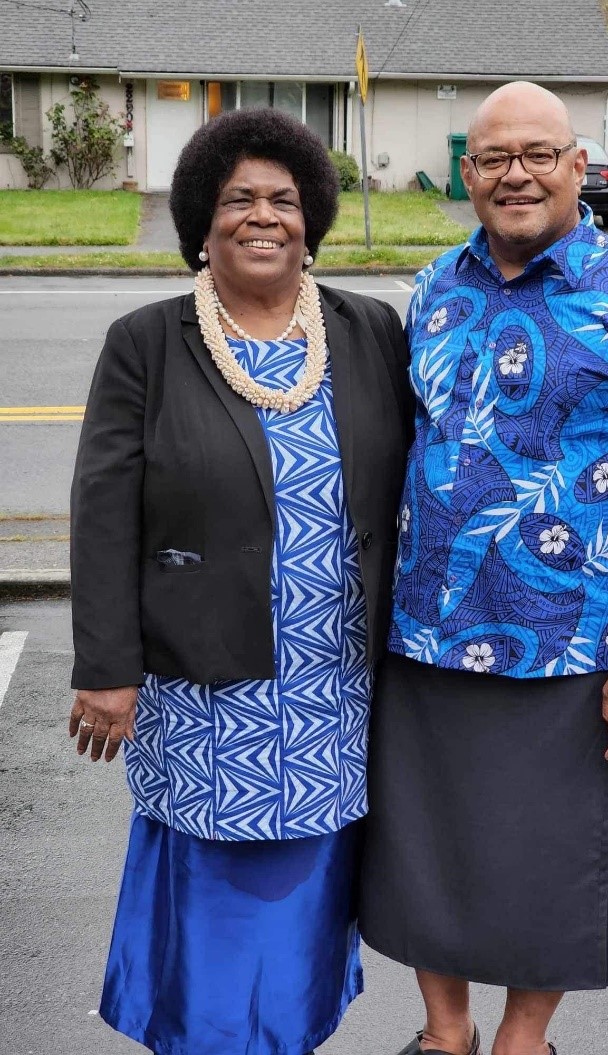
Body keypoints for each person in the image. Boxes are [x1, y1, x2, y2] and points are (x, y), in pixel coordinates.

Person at [359, 81, 608, 1055]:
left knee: (551, 864)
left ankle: (523, 1039)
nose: (512, 173)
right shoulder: (434, 290)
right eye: (490, 158)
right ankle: (445, 1033)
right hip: (428, 637)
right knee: (427, 852)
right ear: (467, 176)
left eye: (534, 153)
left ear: (578, 167)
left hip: (576, 651)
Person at [68, 107, 413, 1055]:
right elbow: (103, 514)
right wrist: (106, 666)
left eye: (284, 200)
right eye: (237, 200)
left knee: (306, 894)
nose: (263, 217)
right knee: (215, 890)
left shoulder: (369, 330)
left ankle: (285, 1034)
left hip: (330, 686)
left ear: (313, 220)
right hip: (201, 682)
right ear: (201, 220)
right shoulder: (149, 339)